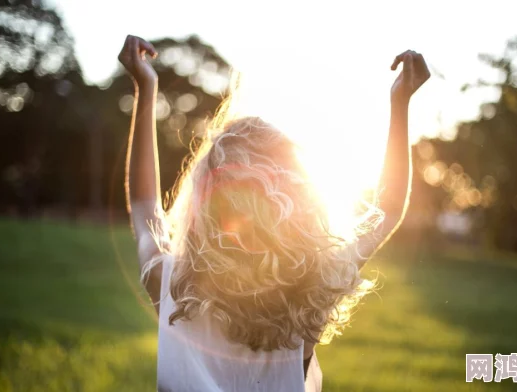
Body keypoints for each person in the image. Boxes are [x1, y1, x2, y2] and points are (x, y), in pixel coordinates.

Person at [118, 34, 429, 392]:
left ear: (202, 205)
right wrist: (400, 102)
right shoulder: (311, 290)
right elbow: (385, 210)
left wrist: (146, 87)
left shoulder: (172, 284)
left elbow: (145, 206)